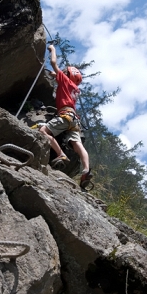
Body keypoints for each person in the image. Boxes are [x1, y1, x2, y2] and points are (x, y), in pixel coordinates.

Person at [39, 44, 93, 190]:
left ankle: (61, 154)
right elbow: (61, 80)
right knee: (78, 145)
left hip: (65, 115)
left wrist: (52, 49)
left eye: (64, 72)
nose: (62, 71)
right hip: (75, 120)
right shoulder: (74, 88)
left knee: (43, 131)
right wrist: (54, 75)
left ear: (67, 75)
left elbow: (53, 63)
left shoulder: (64, 79)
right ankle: (86, 169)